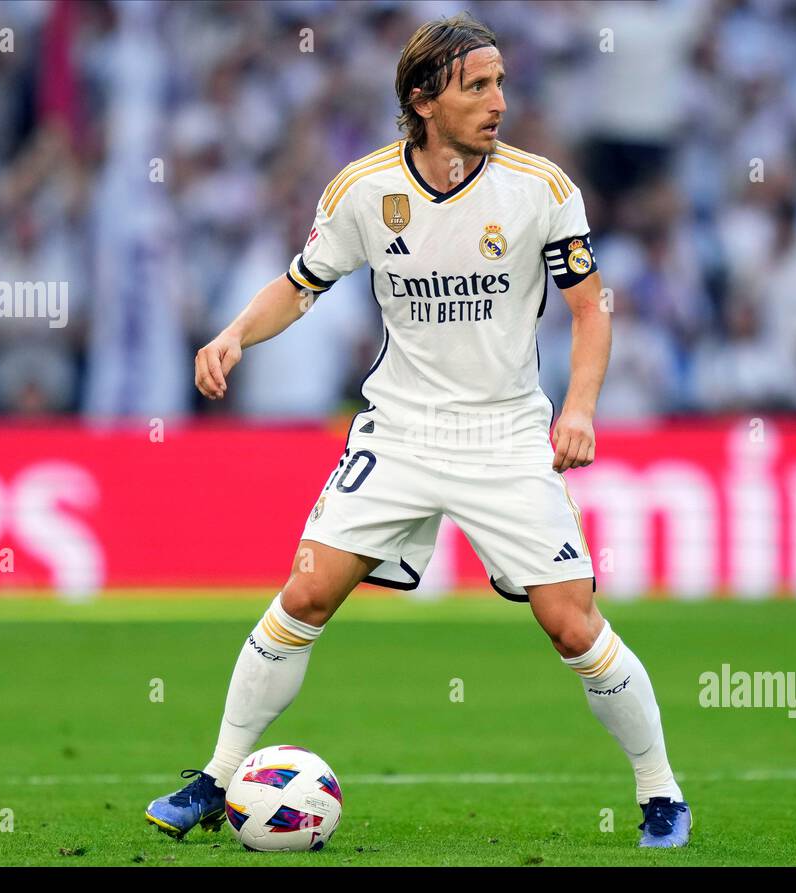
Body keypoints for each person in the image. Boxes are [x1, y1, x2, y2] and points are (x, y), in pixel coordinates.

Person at [145, 12, 690, 849]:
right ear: (423, 98)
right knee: (307, 593)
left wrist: (579, 407)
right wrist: (230, 336)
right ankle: (216, 781)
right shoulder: (364, 190)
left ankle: (661, 794)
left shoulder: (540, 189)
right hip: (398, 430)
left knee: (571, 623)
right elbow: (301, 284)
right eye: (478, 85)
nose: (499, 99)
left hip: (506, 434)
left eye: (502, 81)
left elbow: (590, 308)